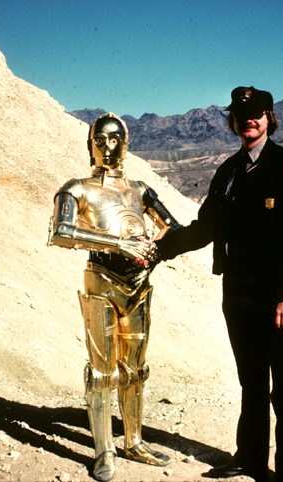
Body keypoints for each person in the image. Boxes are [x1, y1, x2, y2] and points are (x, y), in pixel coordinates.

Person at [154, 86, 283, 482]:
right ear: (234, 122)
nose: (249, 120)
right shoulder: (229, 171)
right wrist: (160, 248)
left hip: (275, 298)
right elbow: (205, 228)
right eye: (241, 115)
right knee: (252, 379)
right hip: (237, 293)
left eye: (256, 113)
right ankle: (251, 458)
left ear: (269, 117)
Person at [48, 113, 180, 481]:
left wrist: (154, 248)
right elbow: (61, 231)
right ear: (90, 144)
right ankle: (104, 448)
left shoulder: (139, 189)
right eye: (101, 140)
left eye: (116, 139)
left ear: (126, 144)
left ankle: (133, 440)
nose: (108, 146)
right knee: (103, 371)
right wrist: (116, 244)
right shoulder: (77, 188)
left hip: (138, 284)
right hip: (102, 282)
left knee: (135, 369)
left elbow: (172, 227)